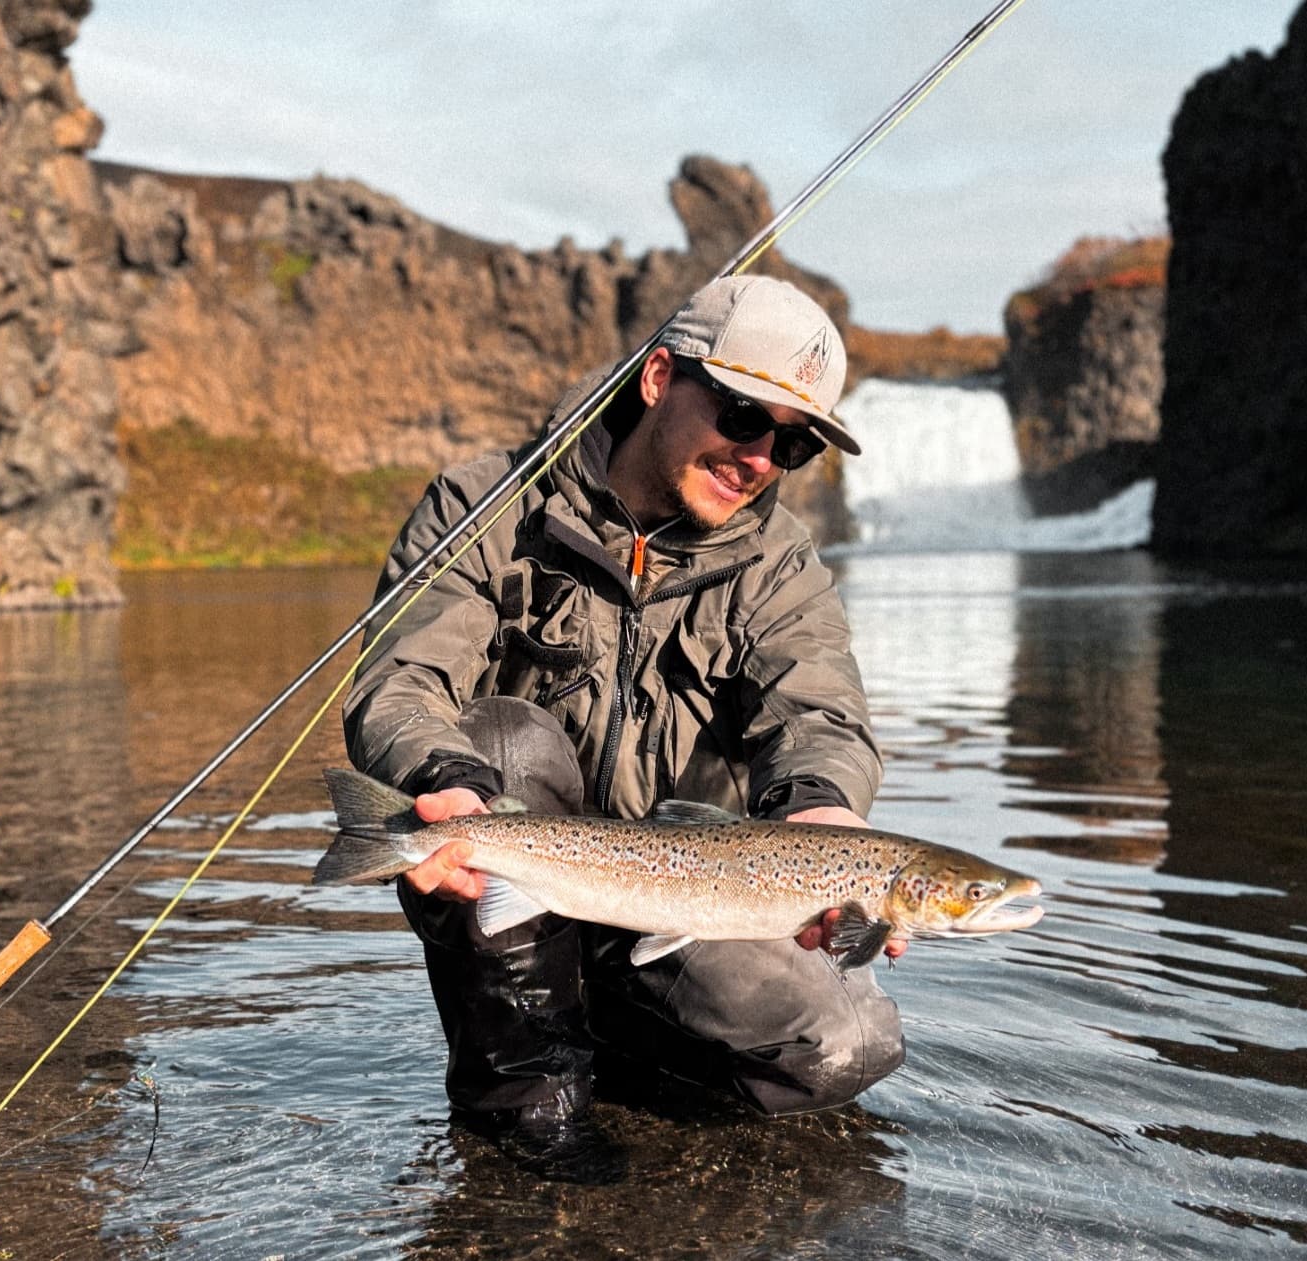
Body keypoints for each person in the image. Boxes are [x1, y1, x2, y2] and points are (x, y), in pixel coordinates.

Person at [342, 275, 902, 1176]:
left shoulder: (781, 565)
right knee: (502, 741)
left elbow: (819, 711)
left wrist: (824, 808)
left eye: (794, 442)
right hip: (508, 880)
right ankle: (529, 1091)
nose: (761, 457)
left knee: (849, 1046)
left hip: (687, 896)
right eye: (743, 416)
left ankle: (626, 1050)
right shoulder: (484, 507)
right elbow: (402, 680)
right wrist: (441, 778)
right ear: (658, 378)